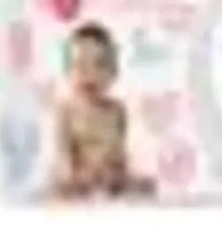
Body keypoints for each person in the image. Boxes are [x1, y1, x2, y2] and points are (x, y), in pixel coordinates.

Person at [52, 22, 154, 199]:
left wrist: (120, 176)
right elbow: (63, 158)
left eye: (100, 65)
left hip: (109, 181)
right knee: (61, 189)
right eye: (80, 65)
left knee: (147, 185)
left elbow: (120, 155)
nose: (90, 74)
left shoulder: (117, 110)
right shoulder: (67, 112)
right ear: (68, 71)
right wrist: (77, 176)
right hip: (80, 182)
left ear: (113, 72)